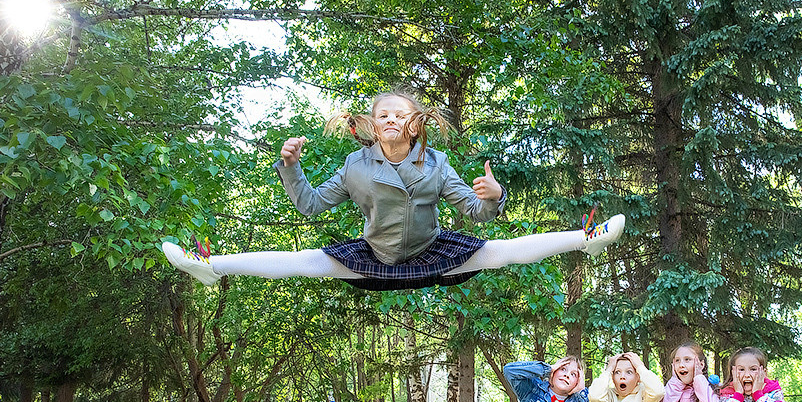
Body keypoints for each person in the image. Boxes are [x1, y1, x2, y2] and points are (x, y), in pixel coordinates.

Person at [162, 91, 625, 291]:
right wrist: (291, 167)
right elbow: (309, 206)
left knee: (502, 250)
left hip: (432, 253)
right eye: (380, 113)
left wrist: (491, 196)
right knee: (301, 262)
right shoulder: (355, 167)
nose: (388, 118)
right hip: (376, 259)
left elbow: (479, 216)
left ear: (415, 123)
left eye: (398, 113)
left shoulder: (437, 164)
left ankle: (589, 238)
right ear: (371, 124)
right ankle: (210, 267)